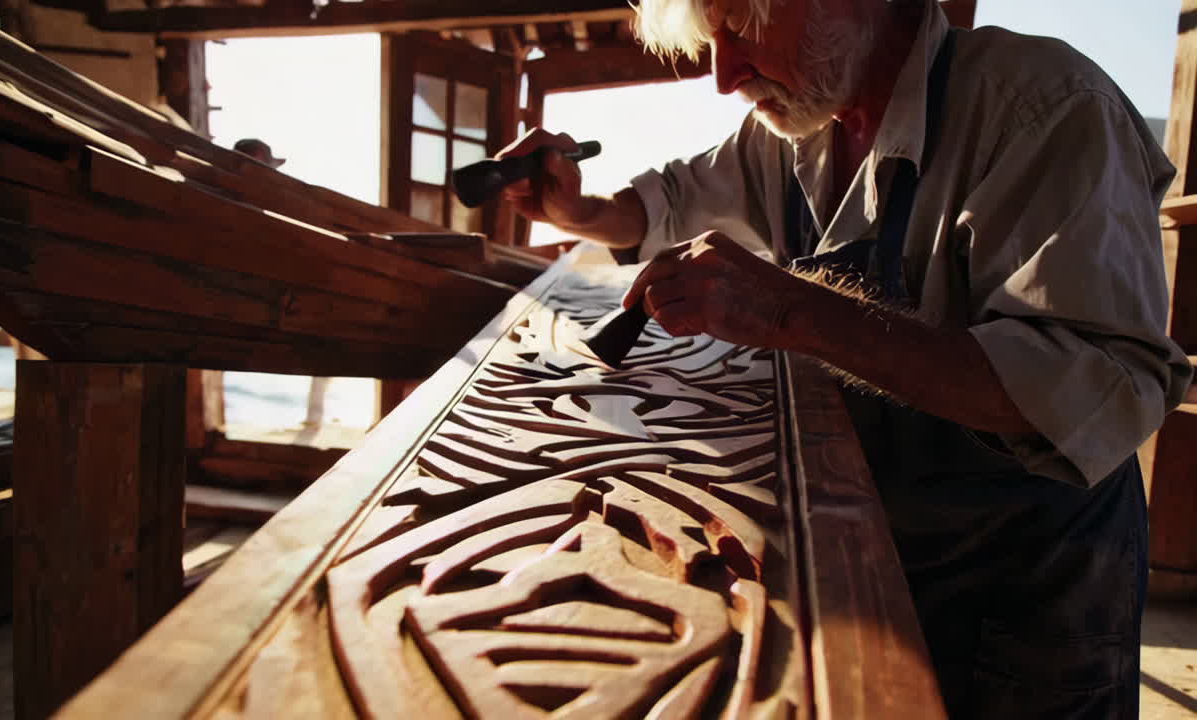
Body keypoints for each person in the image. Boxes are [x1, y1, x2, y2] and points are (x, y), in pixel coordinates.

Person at [497, 0, 1193, 717]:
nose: (724, 75)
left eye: (742, 27)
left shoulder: (1045, 107)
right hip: (869, 548)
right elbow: (673, 199)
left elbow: (1091, 383)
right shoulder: (795, 126)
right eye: (711, 39)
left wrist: (793, 311)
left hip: (1027, 581)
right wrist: (579, 213)